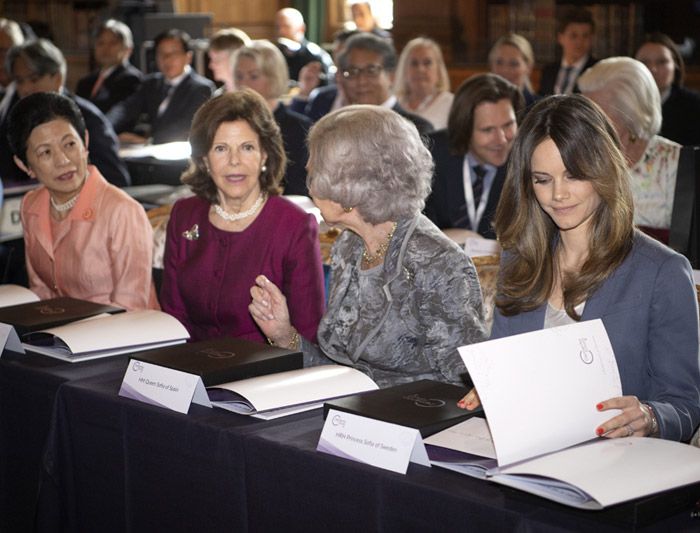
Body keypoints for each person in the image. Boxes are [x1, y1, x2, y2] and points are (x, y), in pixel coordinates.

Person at [458, 95, 700, 443]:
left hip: (619, 461)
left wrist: (649, 416)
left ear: (603, 169)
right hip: (527, 448)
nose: (558, 195)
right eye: (542, 179)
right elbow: (506, 365)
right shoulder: (520, 259)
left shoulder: (662, 272)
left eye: (573, 175)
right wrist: (493, 388)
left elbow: (686, 405)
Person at [249, 105, 487, 388]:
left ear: (351, 184)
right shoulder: (349, 245)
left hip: (416, 421)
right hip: (352, 414)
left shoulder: (438, 262)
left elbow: (464, 385)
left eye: (316, 169)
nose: (309, 181)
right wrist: (283, 334)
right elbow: (341, 370)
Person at [160, 90, 325, 343]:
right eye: (221, 149)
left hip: (264, 373)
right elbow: (173, 316)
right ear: (204, 160)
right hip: (190, 369)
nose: (234, 161)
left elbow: (309, 336)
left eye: (247, 147)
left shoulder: (294, 226)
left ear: (265, 155)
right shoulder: (184, 215)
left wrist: (282, 335)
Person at [7, 92, 157, 310]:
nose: (63, 160)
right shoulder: (31, 204)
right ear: (24, 165)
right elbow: (41, 292)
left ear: (85, 142)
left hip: (125, 336)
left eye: (69, 144)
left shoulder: (122, 211)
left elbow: (132, 306)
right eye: (45, 152)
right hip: (63, 336)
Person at [2, 38, 130, 187]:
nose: (25, 89)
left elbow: (115, 180)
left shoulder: (88, 119)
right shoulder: (16, 119)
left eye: (34, 79)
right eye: (19, 81)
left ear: (58, 78)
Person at [578, 57, 680, 243]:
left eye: (597, 114)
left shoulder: (675, 163)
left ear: (631, 113)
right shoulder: (577, 158)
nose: (586, 122)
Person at [425, 73, 524, 239]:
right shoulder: (431, 155)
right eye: (487, 130)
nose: (501, 139)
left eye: (508, 125)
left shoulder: (527, 161)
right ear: (464, 129)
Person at [107, 28, 214, 144]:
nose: (167, 59)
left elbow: (187, 126)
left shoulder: (201, 88)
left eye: (174, 53)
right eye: (161, 53)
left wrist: (149, 140)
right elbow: (126, 108)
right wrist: (105, 126)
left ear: (188, 57)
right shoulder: (151, 83)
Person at [232, 40, 311, 196]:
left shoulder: (298, 127)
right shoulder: (230, 124)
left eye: (253, 76)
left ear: (273, 77)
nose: (244, 84)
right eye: (239, 76)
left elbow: (298, 186)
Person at [335, 32, 433, 136]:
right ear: (340, 78)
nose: (361, 81)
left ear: (391, 76)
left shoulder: (415, 129)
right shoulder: (335, 128)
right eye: (353, 71)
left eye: (371, 71)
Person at [636, 32, 700, 147]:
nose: (653, 69)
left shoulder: (695, 105)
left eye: (661, 62)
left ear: (676, 66)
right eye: (645, 62)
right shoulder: (621, 103)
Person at [75, 19, 143, 115]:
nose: (105, 48)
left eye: (113, 43)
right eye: (100, 43)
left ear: (128, 49)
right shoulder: (85, 82)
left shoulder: (132, 79)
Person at [394, 37, 453, 130]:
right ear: (404, 70)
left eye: (427, 63)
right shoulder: (394, 104)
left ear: (439, 70)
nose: (420, 69)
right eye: (414, 63)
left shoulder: (451, 104)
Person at [539, 7, 597, 96]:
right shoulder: (548, 71)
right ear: (560, 38)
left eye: (585, 36)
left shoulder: (597, 70)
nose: (579, 42)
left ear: (592, 39)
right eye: (573, 36)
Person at [274, 7, 334, 82]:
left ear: (301, 28)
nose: (281, 32)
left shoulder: (315, 55)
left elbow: (327, 82)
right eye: (277, 27)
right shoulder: (275, 53)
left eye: (286, 27)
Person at [489, 32, 539, 107]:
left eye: (513, 64)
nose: (505, 70)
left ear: (528, 67)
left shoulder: (541, 109)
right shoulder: (478, 106)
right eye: (499, 62)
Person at [207, 27, 250, 94]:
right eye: (211, 59)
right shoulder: (217, 96)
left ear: (236, 59)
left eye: (217, 60)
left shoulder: (255, 95)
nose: (211, 65)